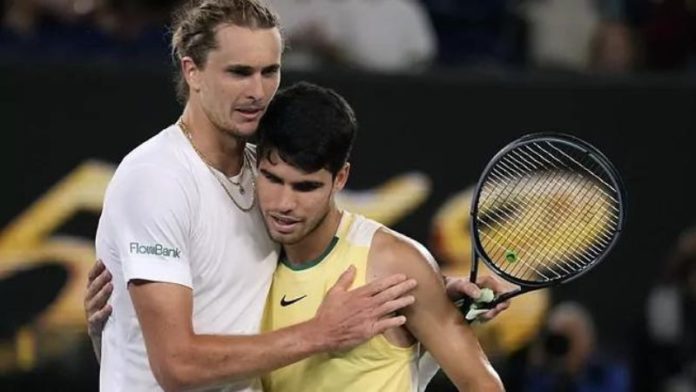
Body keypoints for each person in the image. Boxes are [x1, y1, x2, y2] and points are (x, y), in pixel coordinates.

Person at [84, 1, 509, 391]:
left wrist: (426, 294)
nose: (257, 91)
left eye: (269, 71)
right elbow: (175, 365)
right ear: (192, 71)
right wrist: (322, 333)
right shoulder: (158, 179)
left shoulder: (261, 173)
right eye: (239, 72)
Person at [253, 81, 504, 391]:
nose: (284, 204)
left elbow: (482, 386)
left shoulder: (393, 262)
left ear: (340, 178)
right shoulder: (247, 254)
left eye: (306, 187)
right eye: (272, 179)